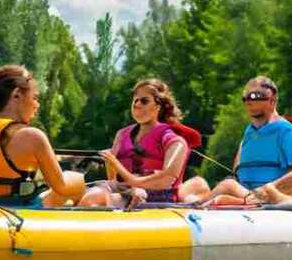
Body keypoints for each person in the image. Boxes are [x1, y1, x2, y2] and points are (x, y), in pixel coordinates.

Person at [0, 65, 86, 207]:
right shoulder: (32, 136)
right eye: (34, 97)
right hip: (17, 213)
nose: (37, 105)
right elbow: (62, 188)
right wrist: (80, 178)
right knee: (75, 195)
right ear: (16, 95)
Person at [80, 79, 210, 208]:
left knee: (96, 198)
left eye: (144, 101)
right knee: (91, 195)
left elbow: (166, 179)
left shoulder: (176, 142)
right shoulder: (121, 135)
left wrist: (134, 183)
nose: (137, 104)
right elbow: (113, 178)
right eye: (135, 100)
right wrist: (116, 171)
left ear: (158, 106)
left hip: (154, 197)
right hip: (124, 191)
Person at [208, 76, 292, 205]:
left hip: (268, 198)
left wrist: (267, 190)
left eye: (255, 96)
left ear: (272, 100)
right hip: (246, 197)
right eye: (245, 97)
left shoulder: (286, 131)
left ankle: (197, 207)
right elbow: (237, 170)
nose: (249, 101)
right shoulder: (249, 131)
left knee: (228, 185)